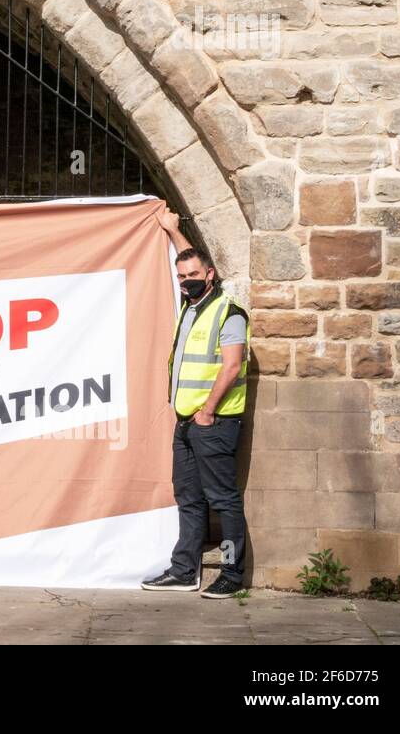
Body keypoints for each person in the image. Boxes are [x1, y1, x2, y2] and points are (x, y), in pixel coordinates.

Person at [143, 208, 250, 599]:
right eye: (181, 277)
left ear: (211, 275)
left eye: (194, 276)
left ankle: (231, 573)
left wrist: (207, 412)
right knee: (188, 497)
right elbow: (190, 258)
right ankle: (185, 569)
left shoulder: (228, 312)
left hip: (215, 422)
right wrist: (173, 231)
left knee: (222, 499)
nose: (187, 281)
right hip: (187, 423)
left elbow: (232, 365)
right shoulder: (191, 307)